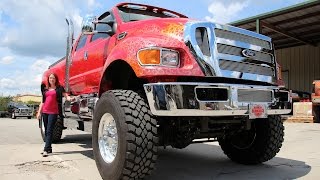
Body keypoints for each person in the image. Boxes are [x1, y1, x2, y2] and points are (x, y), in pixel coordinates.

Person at [36, 73, 73, 157]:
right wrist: (39, 112)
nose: (51, 79)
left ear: (56, 79)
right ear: (48, 80)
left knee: (49, 130)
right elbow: (42, 102)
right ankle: (49, 148)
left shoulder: (59, 89)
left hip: (53, 112)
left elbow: (65, 95)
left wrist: (70, 99)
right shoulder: (45, 90)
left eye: (53, 78)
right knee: (46, 130)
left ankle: (46, 149)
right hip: (45, 112)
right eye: (50, 78)